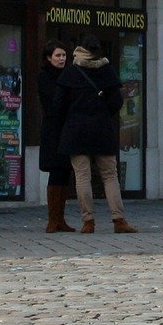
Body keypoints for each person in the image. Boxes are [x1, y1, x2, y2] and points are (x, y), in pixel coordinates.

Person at [58, 34, 136, 233]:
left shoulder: (71, 72)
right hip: (102, 129)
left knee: (82, 176)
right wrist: (103, 113)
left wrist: (73, 114)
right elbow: (117, 101)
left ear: (79, 49)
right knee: (110, 175)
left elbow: (58, 104)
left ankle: (88, 222)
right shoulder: (107, 70)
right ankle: (118, 220)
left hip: (76, 130)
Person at [37, 41, 75, 233]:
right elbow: (54, 102)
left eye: (63, 56)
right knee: (55, 170)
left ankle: (61, 218)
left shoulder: (69, 75)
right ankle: (53, 219)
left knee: (65, 171)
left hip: (67, 127)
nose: (61, 59)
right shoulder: (44, 76)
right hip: (53, 128)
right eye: (58, 56)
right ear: (49, 57)